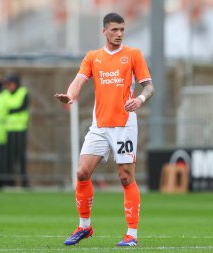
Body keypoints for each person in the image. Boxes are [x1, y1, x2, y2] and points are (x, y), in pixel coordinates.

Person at [55, 13, 154, 247]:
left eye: (122, 30)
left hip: (124, 125)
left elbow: (149, 86)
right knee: (81, 173)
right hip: (99, 126)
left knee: (125, 176)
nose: (119, 34)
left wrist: (139, 100)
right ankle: (84, 226)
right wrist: (70, 95)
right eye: (114, 30)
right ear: (104, 32)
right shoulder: (93, 57)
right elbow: (79, 80)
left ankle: (132, 234)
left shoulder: (133, 55)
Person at [3, 74, 30, 187]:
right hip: (8, 129)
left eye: (12, 84)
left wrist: (10, 111)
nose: (10, 86)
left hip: (20, 128)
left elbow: (23, 107)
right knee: (9, 156)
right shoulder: (5, 94)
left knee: (21, 156)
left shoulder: (23, 92)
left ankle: (24, 181)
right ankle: (10, 181)